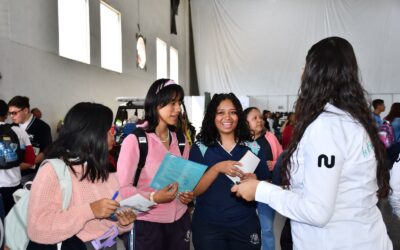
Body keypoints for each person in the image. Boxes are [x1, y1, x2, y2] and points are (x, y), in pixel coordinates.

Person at [231, 37, 393, 249]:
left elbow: (317, 211)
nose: (301, 72)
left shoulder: (326, 127)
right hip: (365, 237)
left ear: (316, 74)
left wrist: (261, 190)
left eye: (305, 66)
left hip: (336, 241)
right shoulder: (353, 120)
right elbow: (325, 186)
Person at [26, 102, 136, 249]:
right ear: (91, 133)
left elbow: (104, 224)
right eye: (109, 129)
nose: (114, 133)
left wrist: (122, 223)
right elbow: (37, 228)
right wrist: (90, 210)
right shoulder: (53, 171)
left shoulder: (106, 170)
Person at [117, 78, 193, 250]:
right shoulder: (136, 140)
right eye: (172, 103)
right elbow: (124, 188)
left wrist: (187, 195)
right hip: (147, 225)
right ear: (155, 103)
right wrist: (153, 197)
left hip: (180, 222)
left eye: (179, 103)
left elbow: (184, 180)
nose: (178, 109)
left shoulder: (181, 141)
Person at [189, 93, 269, 250]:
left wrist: (256, 182)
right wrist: (217, 168)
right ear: (212, 116)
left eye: (232, 112)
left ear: (239, 116)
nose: (228, 117)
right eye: (221, 112)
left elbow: (267, 183)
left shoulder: (253, 148)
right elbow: (194, 190)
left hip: (245, 225)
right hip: (208, 227)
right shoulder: (200, 148)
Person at [244, 107, 275, 250]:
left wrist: (274, 164)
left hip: (265, 191)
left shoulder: (268, 140)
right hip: (245, 192)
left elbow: (279, 160)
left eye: (260, 118)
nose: (259, 121)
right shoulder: (240, 143)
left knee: (266, 229)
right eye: (254, 118)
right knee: (249, 231)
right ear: (245, 122)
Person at [0, 100, 35, 214]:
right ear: (6, 115)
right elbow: (31, 159)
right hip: (13, 185)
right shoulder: (19, 131)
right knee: (11, 221)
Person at [8, 96, 52, 183]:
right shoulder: (11, 127)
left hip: (31, 174)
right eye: (10, 113)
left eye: (14, 113)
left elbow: (46, 150)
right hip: (12, 173)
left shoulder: (42, 127)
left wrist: (29, 164)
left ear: (25, 110)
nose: (11, 116)